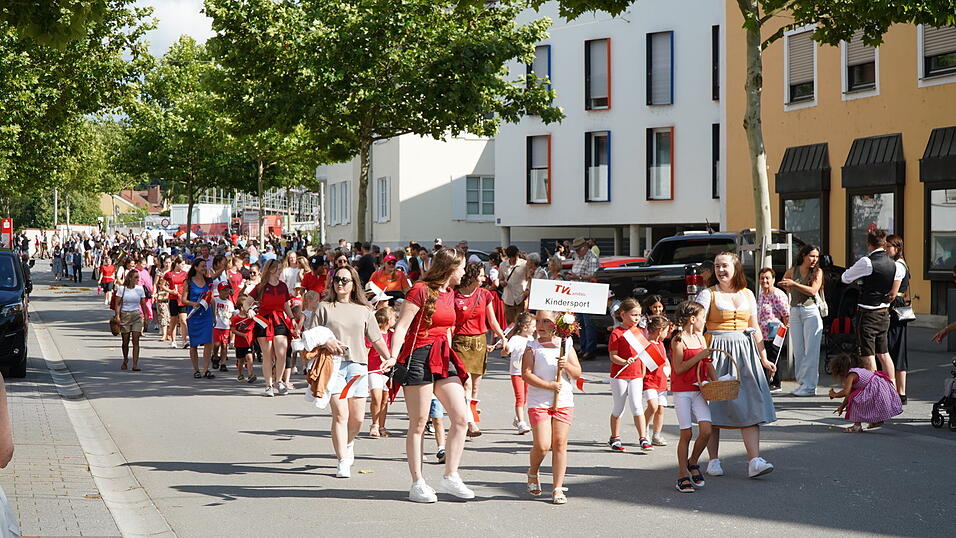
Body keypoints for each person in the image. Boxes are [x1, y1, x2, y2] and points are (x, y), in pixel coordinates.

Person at [385, 247, 474, 503]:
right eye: (462, 267)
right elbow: (401, 327)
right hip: (419, 356)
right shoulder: (420, 290)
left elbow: (446, 329)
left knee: (460, 418)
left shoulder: (449, 293)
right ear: (450, 268)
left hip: (443, 356)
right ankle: (418, 482)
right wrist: (393, 356)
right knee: (419, 422)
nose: (464, 272)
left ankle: (451, 476)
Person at [695, 252, 776, 479]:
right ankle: (713, 460)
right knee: (715, 404)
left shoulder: (748, 294)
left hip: (745, 352)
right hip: (717, 350)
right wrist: (699, 355)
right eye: (717, 266)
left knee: (750, 404)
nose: (720, 270)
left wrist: (763, 357)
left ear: (736, 268)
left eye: (725, 266)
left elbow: (755, 328)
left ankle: (754, 461)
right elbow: (698, 328)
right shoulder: (707, 294)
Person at [313, 265, 391, 478]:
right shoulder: (324, 307)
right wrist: (326, 341)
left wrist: (390, 358)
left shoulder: (364, 310)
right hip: (333, 365)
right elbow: (309, 336)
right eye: (337, 279)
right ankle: (342, 461)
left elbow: (376, 338)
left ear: (353, 284)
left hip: (358, 364)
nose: (340, 283)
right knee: (340, 414)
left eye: (345, 280)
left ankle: (348, 443)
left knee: (357, 418)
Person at [522, 310, 582, 505]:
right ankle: (533, 471)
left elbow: (577, 372)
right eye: (538, 320)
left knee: (559, 443)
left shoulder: (566, 345)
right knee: (542, 445)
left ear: (556, 323)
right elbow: (527, 374)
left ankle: (557, 487)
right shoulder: (532, 347)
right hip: (539, 401)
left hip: (563, 400)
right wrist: (547, 385)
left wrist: (566, 366)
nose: (540, 325)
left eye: (546, 321)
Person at [840, 228, 905, 384]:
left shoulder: (867, 262)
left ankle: (875, 389)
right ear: (884, 243)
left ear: (869, 244)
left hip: (868, 313)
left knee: (868, 354)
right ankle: (891, 389)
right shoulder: (896, 265)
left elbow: (845, 278)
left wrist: (861, 279)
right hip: (884, 312)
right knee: (884, 353)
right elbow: (893, 292)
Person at [452, 261, 508, 437]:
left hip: (479, 343)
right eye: (481, 275)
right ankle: (469, 422)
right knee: (465, 383)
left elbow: (492, 321)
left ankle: (471, 418)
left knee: (475, 387)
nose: (484, 278)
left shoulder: (485, 295)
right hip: (460, 342)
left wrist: (503, 337)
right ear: (472, 276)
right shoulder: (454, 296)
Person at [669, 301, 717, 493]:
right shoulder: (678, 339)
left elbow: (708, 362)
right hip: (682, 390)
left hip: (699, 388)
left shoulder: (700, 337)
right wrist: (699, 357)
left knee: (706, 430)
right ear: (692, 319)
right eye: (702, 317)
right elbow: (679, 368)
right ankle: (682, 473)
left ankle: (693, 461)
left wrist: (718, 381)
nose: (704, 321)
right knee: (686, 433)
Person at [778, 245, 824, 396]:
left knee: (811, 350)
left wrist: (794, 284)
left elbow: (813, 290)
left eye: (816, 257)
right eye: (811, 256)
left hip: (810, 311)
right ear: (803, 255)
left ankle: (810, 386)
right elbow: (785, 281)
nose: (814, 259)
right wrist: (787, 286)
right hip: (795, 310)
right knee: (798, 350)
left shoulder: (817, 272)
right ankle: (803, 383)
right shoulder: (794, 270)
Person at [606, 298, 652, 452]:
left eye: (639, 315)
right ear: (623, 315)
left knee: (637, 406)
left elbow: (643, 353)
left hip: (636, 375)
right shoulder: (616, 333)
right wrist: (625, 361)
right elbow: (613, 356)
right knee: (619, 407)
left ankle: (643, 438)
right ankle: (615, 437)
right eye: (633, 315)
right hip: (619, 375)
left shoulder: (639, 332)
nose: (637, 318)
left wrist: (643, 369)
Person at [827, 352, 902, 432]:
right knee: (858, 398)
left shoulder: (851, 375)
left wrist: (834, 394)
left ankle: (857, 426)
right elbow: (849, 394)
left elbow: (846, 392)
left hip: (875, 390)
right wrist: (842, 407)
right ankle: (877, 420)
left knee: (855, 400)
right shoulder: (857, 371)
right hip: (880, 389)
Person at [252, 259, 295, 396]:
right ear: (271, 270)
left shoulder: (283, 286)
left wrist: (292, 318)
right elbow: (247, 302)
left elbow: (286, 304)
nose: (280, 271)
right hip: (264, 320)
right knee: (267, 355)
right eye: (278, 268)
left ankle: (279, 381)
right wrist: (250, 310)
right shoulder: (261, 287)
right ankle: (268, 385)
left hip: (279, 320)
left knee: (282, 352)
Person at [885, 235, 911, 403]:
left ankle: (898, 392)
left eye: (889, 247)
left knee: (893, 348)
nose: (886, 250)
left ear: (897, 248)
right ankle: (900, 392)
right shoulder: (902, 264)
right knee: (897, 348)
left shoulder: (897, 266)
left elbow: (893, 293)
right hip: (900, 307)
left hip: (894, 307)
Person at [756, 268, 789, 393]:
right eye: (762, 278)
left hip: (775, 330)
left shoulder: (777, 294)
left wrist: (785, 329)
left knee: (774, 356)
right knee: (765, 355)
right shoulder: (761, 294)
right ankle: (766, 381)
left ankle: (776, 383)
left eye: (767, 278)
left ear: (773, 280)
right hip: (762, 332)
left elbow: (786, 313)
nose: (764, 280)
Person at [567, 237, 600, 360]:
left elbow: (593, 277)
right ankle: (583, 347)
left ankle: (590, 350)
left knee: (588, 323)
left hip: (588, 294)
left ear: (584, 247)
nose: (577, 251)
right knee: (580, 323)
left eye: (578, 249)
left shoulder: (592, 258)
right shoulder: (578, 257)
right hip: (578, 293)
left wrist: (577, 276)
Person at [184, 259, 216, 379]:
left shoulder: (208, 281)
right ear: (196, 267)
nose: (204, 268)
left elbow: (211, 298)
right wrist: (194, 304)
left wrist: (214, 314)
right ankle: (196, 369)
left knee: (208, 341)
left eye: (205, 266)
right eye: (202, 266)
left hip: (206, 314)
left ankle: (206, 369)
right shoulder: (188, 282)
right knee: (194, 343)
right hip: (194, 315)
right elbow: (183, 300)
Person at [505, 311, 535, 435]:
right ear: (525, 327)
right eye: (533, 326)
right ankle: (521, 423)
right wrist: (505, 347)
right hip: (517, 372)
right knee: (520, 397)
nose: (535, 329)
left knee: (525, 398)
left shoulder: (532, 339)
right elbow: (507, 351)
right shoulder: (515, 339)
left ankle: (517, 418)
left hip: (527, 371)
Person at [368, 306, 396, 438]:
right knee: (376, 398)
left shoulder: (392, 335)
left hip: (387, 371)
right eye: (393, 318)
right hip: (374, 369)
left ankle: (382, 426)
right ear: (386, 320)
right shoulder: (374, 334)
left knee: (385, 398)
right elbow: (367, 351)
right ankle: (374, 424)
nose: (395, 319)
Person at [643, 315, 670, 447]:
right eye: (666, 331)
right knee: (652, 406)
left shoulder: (661, 344)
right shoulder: (647, 345)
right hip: (650, 381)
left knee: (660, 409)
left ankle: (656, 434)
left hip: (662, 381)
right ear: (660, 330)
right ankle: (644, 430)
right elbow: (647, 364)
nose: (667, 334)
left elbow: (665, 360)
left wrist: (668, 369)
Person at [113, 271, 149, 371]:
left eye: (138, 277)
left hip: (136, 315)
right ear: (130, 278)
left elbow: (143, 304)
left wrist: (146, 316)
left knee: (136, 340)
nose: (138, 279)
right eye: (136, 277)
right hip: (125, 314)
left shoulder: (140, 289)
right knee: (125, 341)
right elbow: (118, 303)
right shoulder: (122, 289)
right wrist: (117, 316)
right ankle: (125, 359)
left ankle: (135, 364)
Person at [162, 257, 189, 349]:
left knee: (183, 320)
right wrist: (170, 291)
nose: (183, 266)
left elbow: (188, 285)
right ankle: (173, 340)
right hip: (173, 298)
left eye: (184, 264)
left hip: (182, 298)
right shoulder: (169, 274)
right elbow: (162, 285)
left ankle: (184, 340)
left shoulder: (185, 274)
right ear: (177, 264)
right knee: (173, 319)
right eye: (182, 264)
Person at [498, 245, 528, 325]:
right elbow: (500, 279)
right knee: (510, 323)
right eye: (512, 257)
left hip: (521, 298)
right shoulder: (502, 265)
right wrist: (502, 283)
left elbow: (529, 279)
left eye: (516, 256)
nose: (514, 259)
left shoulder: (525, 264)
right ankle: (511, 337)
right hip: (508, 298)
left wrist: (527, 291)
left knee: (521, 322)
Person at [231, 296, 257, 383]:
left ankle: (251, 374)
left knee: (250, 358)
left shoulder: (251, 317)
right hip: (239, 343)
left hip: (249, 342)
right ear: (242, 308)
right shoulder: (236, 318)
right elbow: (233, 330)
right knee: (240, 360)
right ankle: (240, 374)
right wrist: (242, 334)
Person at [212, 282, 235, 373]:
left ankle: (223, 363)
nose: (226, 292)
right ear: (219, 291)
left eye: (227, 290)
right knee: (216, 344)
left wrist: (232, 322)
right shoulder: (215, 300)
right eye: (224, 290)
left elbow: (232, 314)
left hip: (226, 326)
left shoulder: (229, 303)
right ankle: (215, 356)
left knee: (224, 345)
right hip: (217, 325)